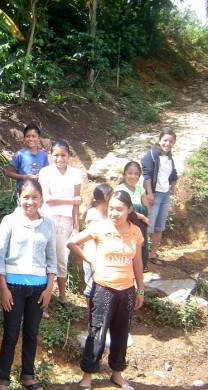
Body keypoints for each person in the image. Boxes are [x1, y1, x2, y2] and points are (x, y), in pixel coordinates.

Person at [67, 190, 145, 390]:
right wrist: (90, 259)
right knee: (97, 331)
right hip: (103, 288)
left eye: (119, 209)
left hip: (127, 290)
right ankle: (87, 376)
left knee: (121, 332)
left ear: (129, 210)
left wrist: (140, 289)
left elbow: (137, 261)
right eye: (111, 209)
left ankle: (117, 374)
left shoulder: (135, 231)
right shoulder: (99, 227)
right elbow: (71, 242)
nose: (114, 213)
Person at [0, 179, 57, 390]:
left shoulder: (48, 224)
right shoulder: (9, 221)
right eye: (26, 197)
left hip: (39, 289)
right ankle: (3, 380)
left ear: (41, 198)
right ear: (19, 197)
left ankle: (27, 376)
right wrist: (3, 288)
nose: (30, 201)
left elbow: (52, 258)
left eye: (35, 197)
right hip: (13, 287)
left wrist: (49, 288)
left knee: (31, 333)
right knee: (10, 334)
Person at [38, 139, 82, 305]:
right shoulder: (46, 173)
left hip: (67, 221)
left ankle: (62, 295)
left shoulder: (75, 174)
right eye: (56, 155)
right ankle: (43, 296)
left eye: (63, 155)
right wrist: (72, 200)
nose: (59, 159)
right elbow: (48, 199)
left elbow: (77, 205)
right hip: (48, 220)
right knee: (46, 256)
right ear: (51, 156)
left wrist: (76, 228)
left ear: (69, 156)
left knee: (62, 258)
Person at [141, 129, 178, 266]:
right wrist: (149, 193)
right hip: (154, 194)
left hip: (165, 195)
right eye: (165, 140)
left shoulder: (169, 158)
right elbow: (147, 175)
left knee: (159, 226)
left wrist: (172, 185)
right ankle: (141, 256)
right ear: (159, 140)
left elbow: (173, 173)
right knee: (148, 226)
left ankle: (152, 254)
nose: (167, 143)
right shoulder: (152, 155)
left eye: (171, 141)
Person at [115, 161, 150, 271]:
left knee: (140, 250)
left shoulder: (140, 189)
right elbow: (122, 209)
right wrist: (143, 217)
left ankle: (138, 278)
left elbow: (147, 209)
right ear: (124, 174)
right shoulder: (120, 190)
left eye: (136, 174)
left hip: (139, 227)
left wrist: (139, 212)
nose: (133, 177)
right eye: (130, 173)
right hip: (126, 227)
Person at [82, 183, 112, 299]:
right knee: (91, 287)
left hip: (102, 255)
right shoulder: (93, 214)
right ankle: (90, 315)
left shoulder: (108, 213)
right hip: (92, 255)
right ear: (106, 197)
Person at [5, 124, 49, 192]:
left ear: (39, 138)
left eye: (33, 136)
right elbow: (9, 172)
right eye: (27, 136)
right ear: (24, 138)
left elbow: (47, 172)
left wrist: (40, 175)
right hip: (23, 192)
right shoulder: (20, 154)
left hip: (38, 191)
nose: (30, 139)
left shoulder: (43, 155)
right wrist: (24, 177)